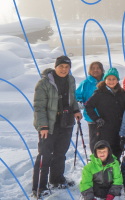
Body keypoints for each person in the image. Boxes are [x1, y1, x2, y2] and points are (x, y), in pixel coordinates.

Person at [33, 56, 83, 197]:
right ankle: (39, 187)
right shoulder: (44, 83)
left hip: (66, 122)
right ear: (56, 67)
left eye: (67, 67)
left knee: (60, 153)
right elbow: (39, 106)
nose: (64, 69)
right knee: (45, 154)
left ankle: (56, 179)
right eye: (61, 66)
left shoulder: (70, 80)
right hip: (48, 124)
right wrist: (43, 125)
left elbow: (72, 99)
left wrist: (76, 110)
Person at [86, 67, 125, 158]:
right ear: (105, 80)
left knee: (118, 150)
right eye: (109, 79)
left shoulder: (121, 92)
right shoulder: (99, 92)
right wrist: (96, 118)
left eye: (114, 79)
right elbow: (88, 106)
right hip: (105, 127)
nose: (111, 81)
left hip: (119, 127)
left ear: (117, 80)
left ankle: (116, 170)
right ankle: (105, 171)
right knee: (106, 151)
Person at [76, 61, 104, 141]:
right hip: (91, 116)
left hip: (106, 116)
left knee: (106, 139)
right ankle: (94, 153)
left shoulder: (107, 81)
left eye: (98, 68)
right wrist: (79, 102)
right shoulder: (85, 83)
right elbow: (77, 95)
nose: (95, 70)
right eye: (93, 68)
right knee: (94, 140)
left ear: (102, 70)